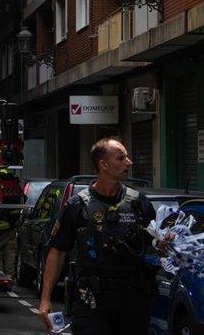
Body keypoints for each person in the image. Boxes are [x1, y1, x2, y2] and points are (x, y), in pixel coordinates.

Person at [38, 137, 168, 334]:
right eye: (121, 158)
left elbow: (155, 244)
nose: (129, 163)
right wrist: (45, 299)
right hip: (91, 302)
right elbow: (57, 251)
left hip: (132, 302)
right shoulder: (77, 206)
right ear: (104, 165)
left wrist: (164, 244)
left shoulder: (139, 203)